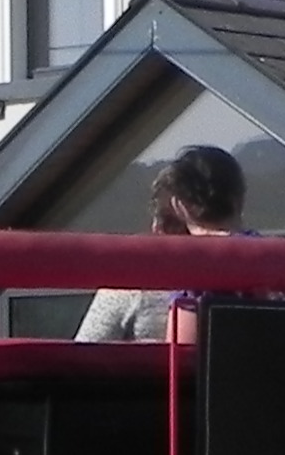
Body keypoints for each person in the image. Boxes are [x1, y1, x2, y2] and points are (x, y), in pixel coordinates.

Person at [79, 142, 252, 341]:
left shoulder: (131, 284)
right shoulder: (280, 271)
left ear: (181, 210)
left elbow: (79, 358)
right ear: (239, 200)